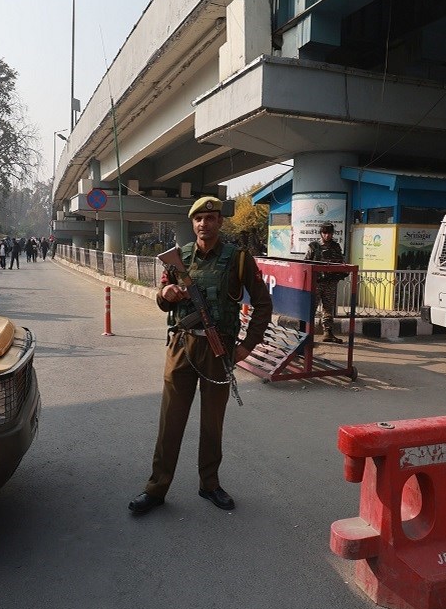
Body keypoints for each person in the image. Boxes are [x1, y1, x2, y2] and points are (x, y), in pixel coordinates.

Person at [128, 196, 273, 516]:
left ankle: (209, 484)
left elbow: (263, 304)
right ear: (192, 223)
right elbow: (164, 298)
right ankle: (156, 488)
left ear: (220, 222)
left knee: (212, 423)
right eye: (198, 219)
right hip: (181, 347)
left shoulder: (238, 259)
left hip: (217, 349)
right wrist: (164, 294)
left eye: (210, 218)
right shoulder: (178, 257)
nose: (204, 224)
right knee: (170, 421)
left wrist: (247, 346)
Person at [305, 222, 346, 343]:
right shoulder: (314, 246)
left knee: (328, 309)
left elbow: (340, 263)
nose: (327, 235)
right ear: (321, 233)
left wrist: (339, 273)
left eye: (329, 233)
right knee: (311, 309)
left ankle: (328, 333)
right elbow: (306, 263)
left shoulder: (336, 247)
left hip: (330, 283)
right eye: (325, 233)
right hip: (317, 283)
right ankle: (307, 335)